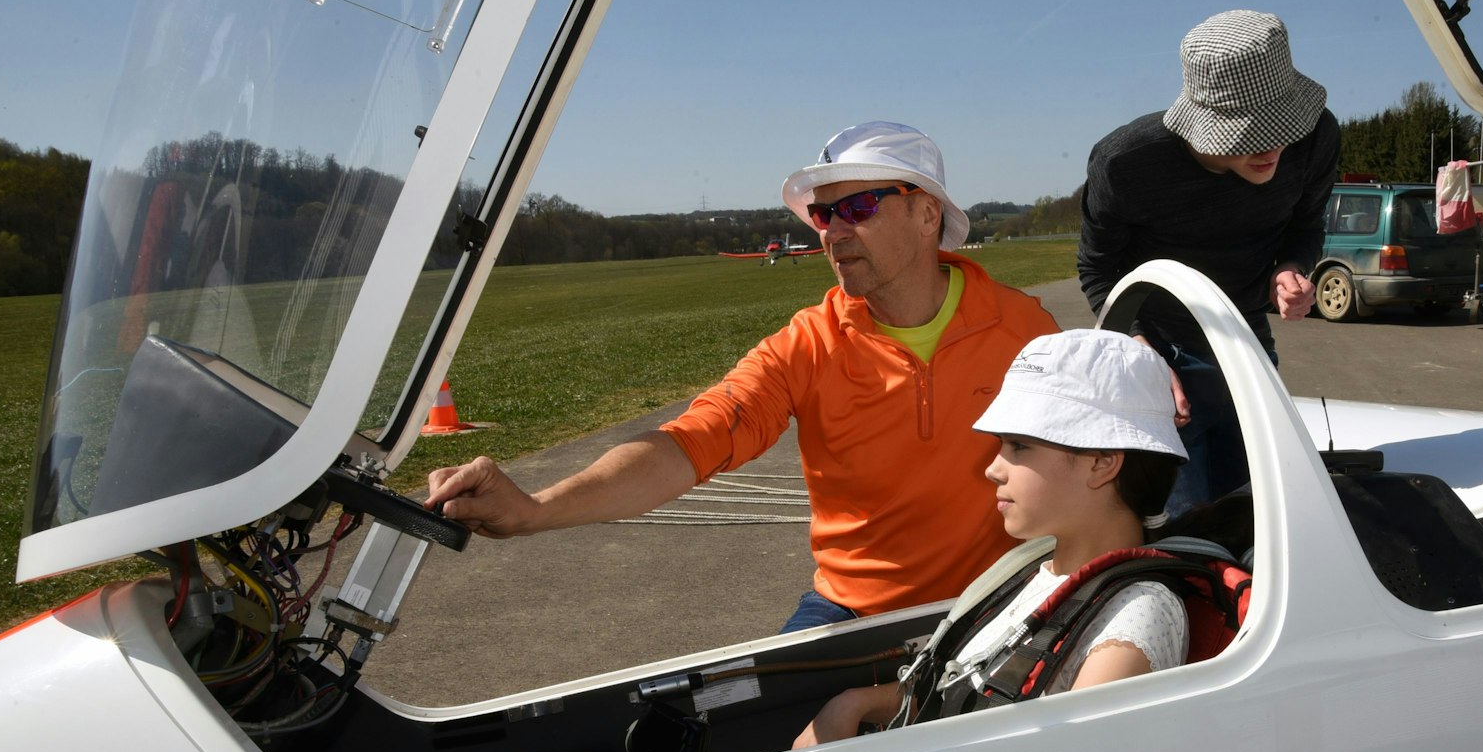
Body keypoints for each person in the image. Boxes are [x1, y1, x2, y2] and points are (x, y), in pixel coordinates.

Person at [426, 122, 1059, 632]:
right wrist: (536, 509)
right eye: (821, 214)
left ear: (927, 215)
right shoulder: (806, 345)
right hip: (852, 613)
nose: (834, 231)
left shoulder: (1024, 329)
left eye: (859, 207)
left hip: (999, 606)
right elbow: (690, 442)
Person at [794, 329, 1191, 748]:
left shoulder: (1132, 618)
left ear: (1101, 464)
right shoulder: (1034, 570)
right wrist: (853, 704)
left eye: (1019, 447)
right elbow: (967, 695)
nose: (994, 469)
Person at [1078, 9, 1340, 515]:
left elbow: (1305, 225)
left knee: (1262, 515)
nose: (1273, 146)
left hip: (1247, 344)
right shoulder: (1126, 162)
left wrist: (1290, 268)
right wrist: (1138, 354)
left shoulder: (1315, 136)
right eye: (1251, 133)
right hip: (1160, 355)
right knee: (1185, 525)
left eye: (1281, 125)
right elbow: (1097, 269)